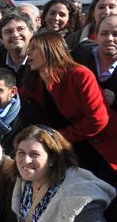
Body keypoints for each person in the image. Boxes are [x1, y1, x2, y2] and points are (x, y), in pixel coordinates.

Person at [20, 32, 117, 178]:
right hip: (65, 149)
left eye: (34, 48)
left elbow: (98, 120)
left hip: (99, 146)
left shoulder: (80, 75)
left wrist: (59, 136)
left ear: (50, 49)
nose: (28, 52)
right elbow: (16, 100)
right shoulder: (35, 80)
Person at [73, 15, 117, 113]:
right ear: (96, 37)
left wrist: (114, 102)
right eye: (104, 33)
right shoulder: (81, 53)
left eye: (115, 34)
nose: (109, 38)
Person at [0, 11, 33, 87]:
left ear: (31, 32)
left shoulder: (41, 59)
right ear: (2, 39)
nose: (15, 35)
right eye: (8, 32)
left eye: (20, 29)